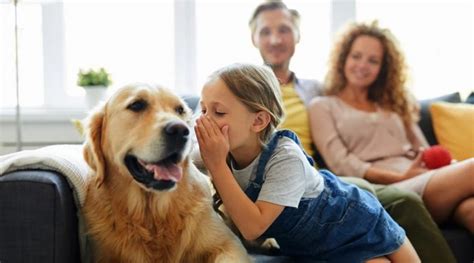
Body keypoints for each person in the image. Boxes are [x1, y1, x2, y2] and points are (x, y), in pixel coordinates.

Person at [248, 1, 456, 262]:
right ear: (253, 38)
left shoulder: (315, 91)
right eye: (266, 31)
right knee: (400, 199)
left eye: (284, 30)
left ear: (298, 36)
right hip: (285, 180)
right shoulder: (240, 89)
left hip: (317, 179)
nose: (276, 39)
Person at [195, 62, 419, 262]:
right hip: (311, 248)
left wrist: (217, 165)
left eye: (219, 112)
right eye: (203, 109)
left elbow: (253, 228)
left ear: (259, 121)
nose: (204, 120)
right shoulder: (215, 152)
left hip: (355, 222)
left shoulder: (285, 158)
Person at [309, 21, 474, 234]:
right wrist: (402, 178)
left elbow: (425, 151)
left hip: (424, 180)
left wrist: (448, 167)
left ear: (383, 68)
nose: (362, 65)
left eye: (373, 60)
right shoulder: (323, 106)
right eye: (356, 56)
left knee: (470, 209)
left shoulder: (393, 104)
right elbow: (342, 165)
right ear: (343, 58)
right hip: (389, 189)